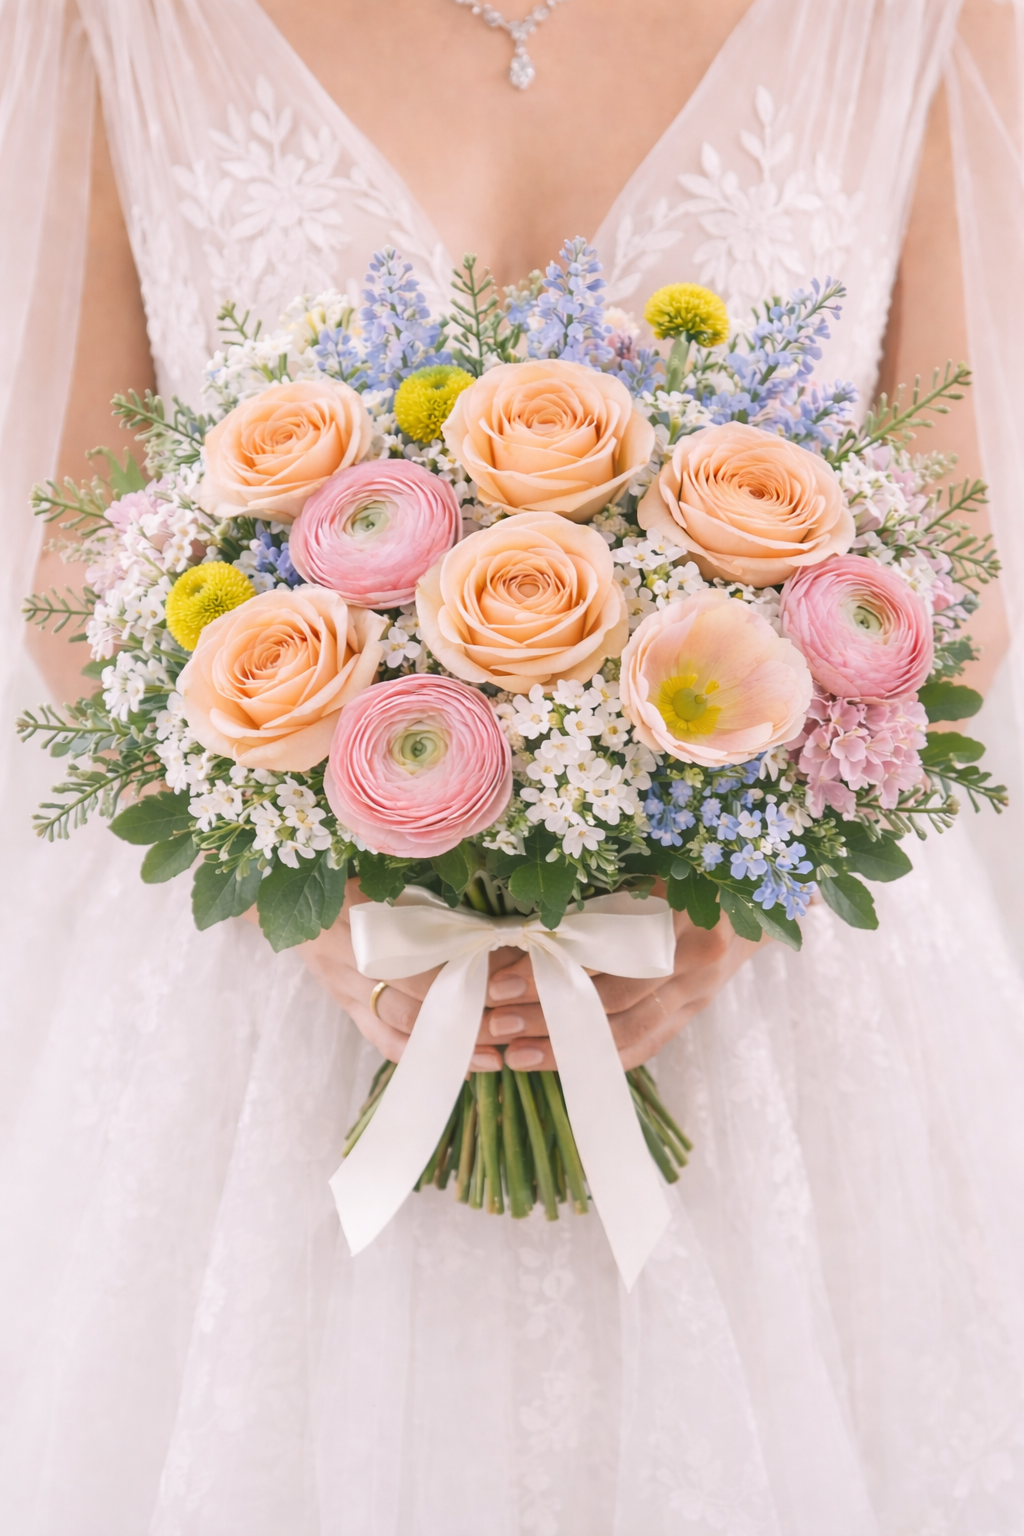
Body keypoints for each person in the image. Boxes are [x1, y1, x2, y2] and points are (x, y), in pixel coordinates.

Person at [1, 1, 1023, 1530]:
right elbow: (76, 554)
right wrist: (319, 878)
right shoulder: (107, 17)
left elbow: (958, 541)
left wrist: (723, 909)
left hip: (770, 971)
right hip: (271, 988)